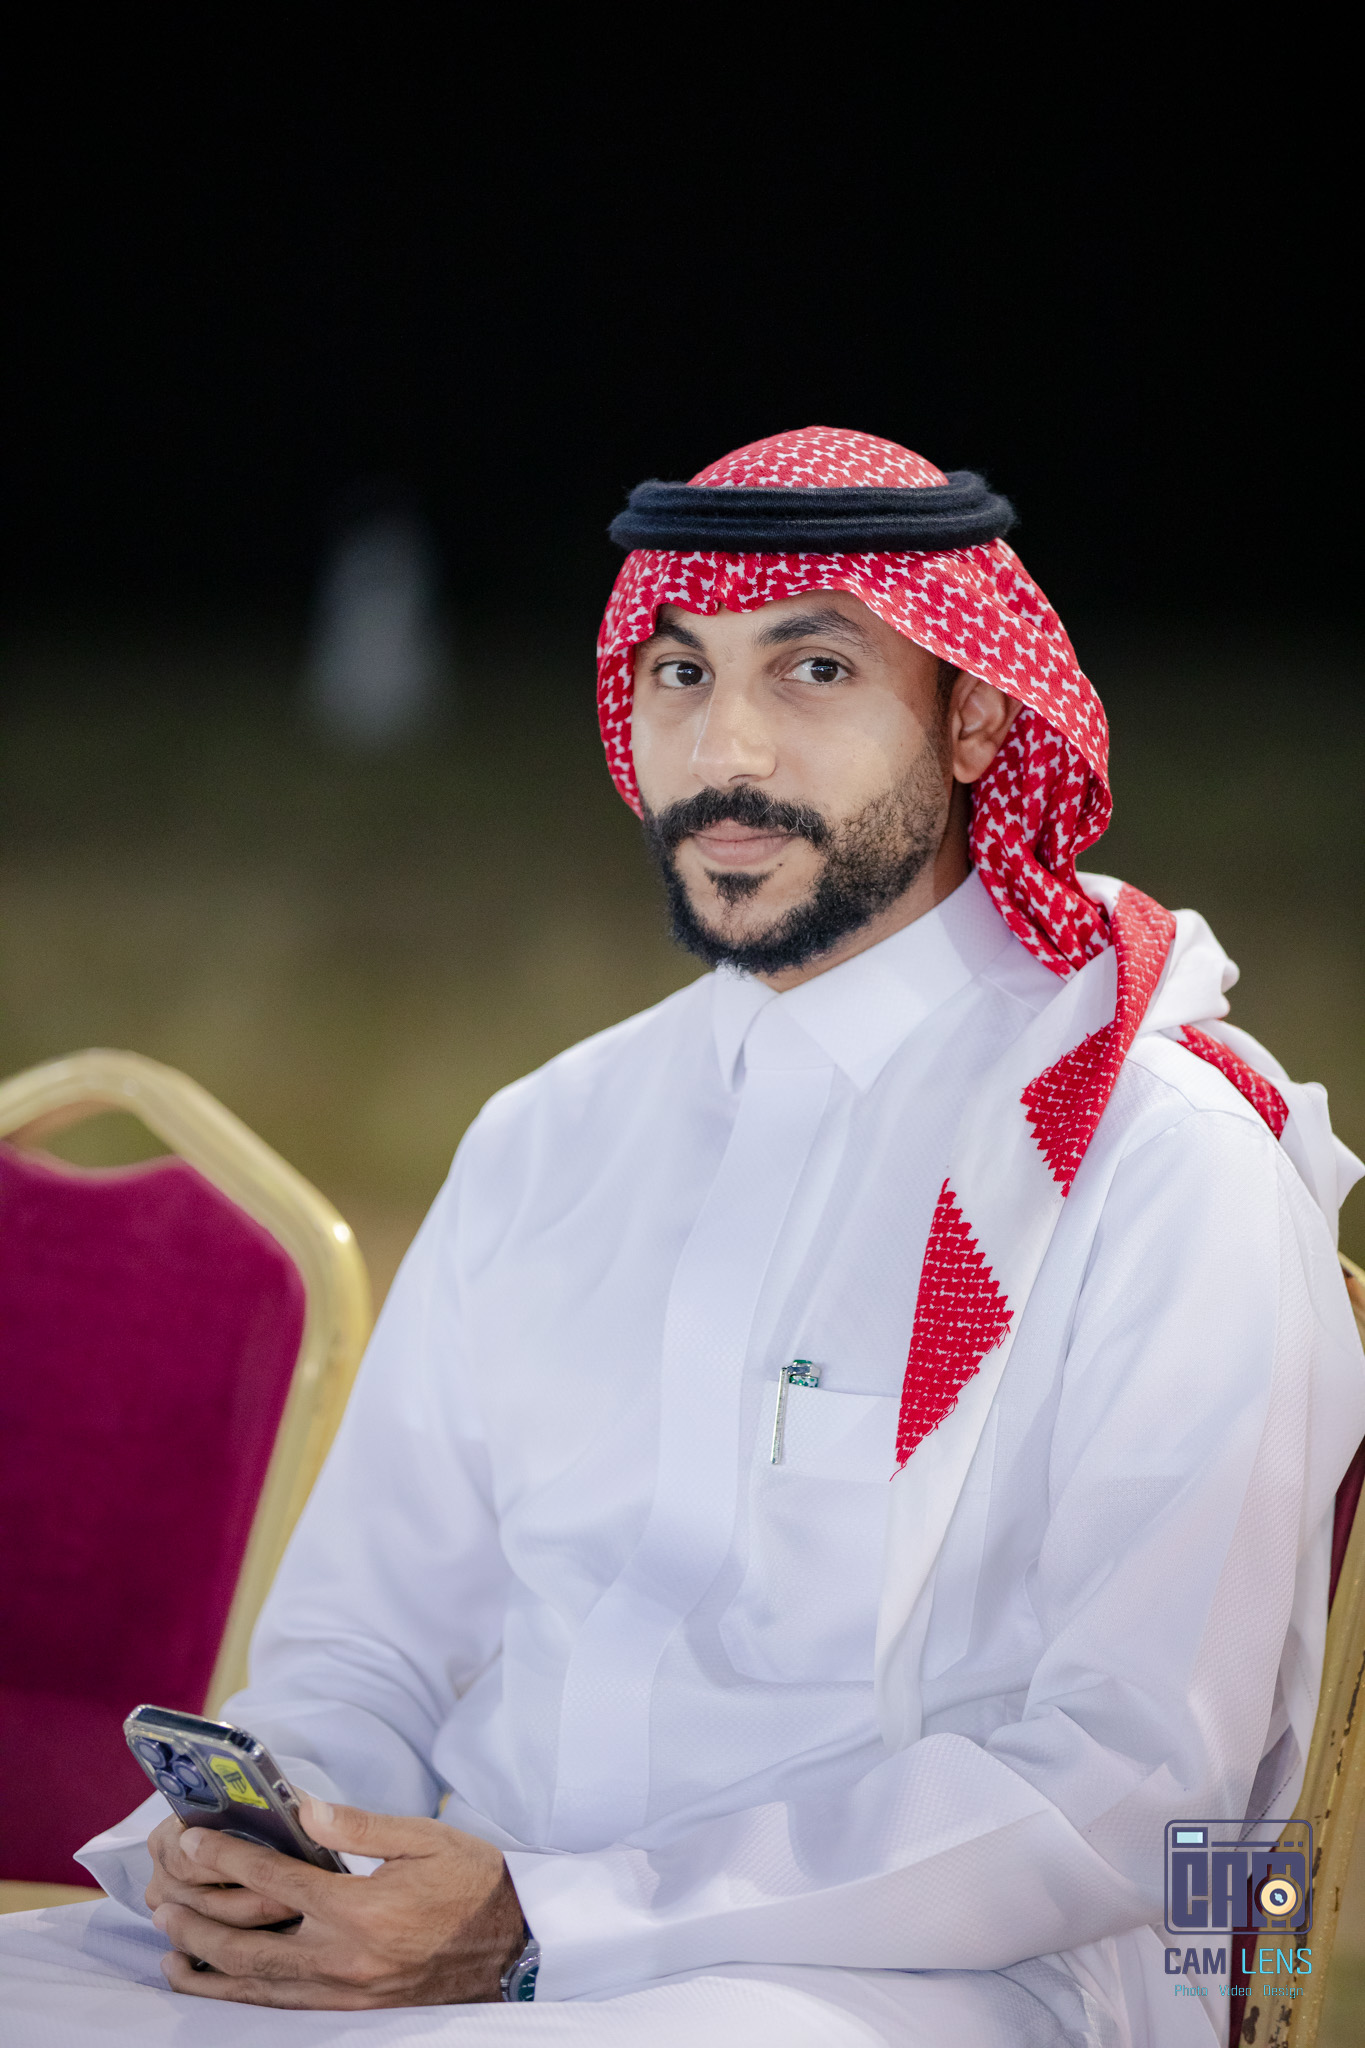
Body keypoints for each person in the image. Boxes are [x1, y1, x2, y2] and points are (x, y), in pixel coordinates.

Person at [3, 425, 1362, 2047]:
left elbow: (1138, 1786)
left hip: (937, 1981)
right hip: (459, 1947)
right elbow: (363, 1645)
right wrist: (278, 1849)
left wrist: (539, 1926)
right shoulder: (549, 1136)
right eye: (678, 672)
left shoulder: (1150, 1159)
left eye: (812, 670)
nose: (725, 747)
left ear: (978, 715)